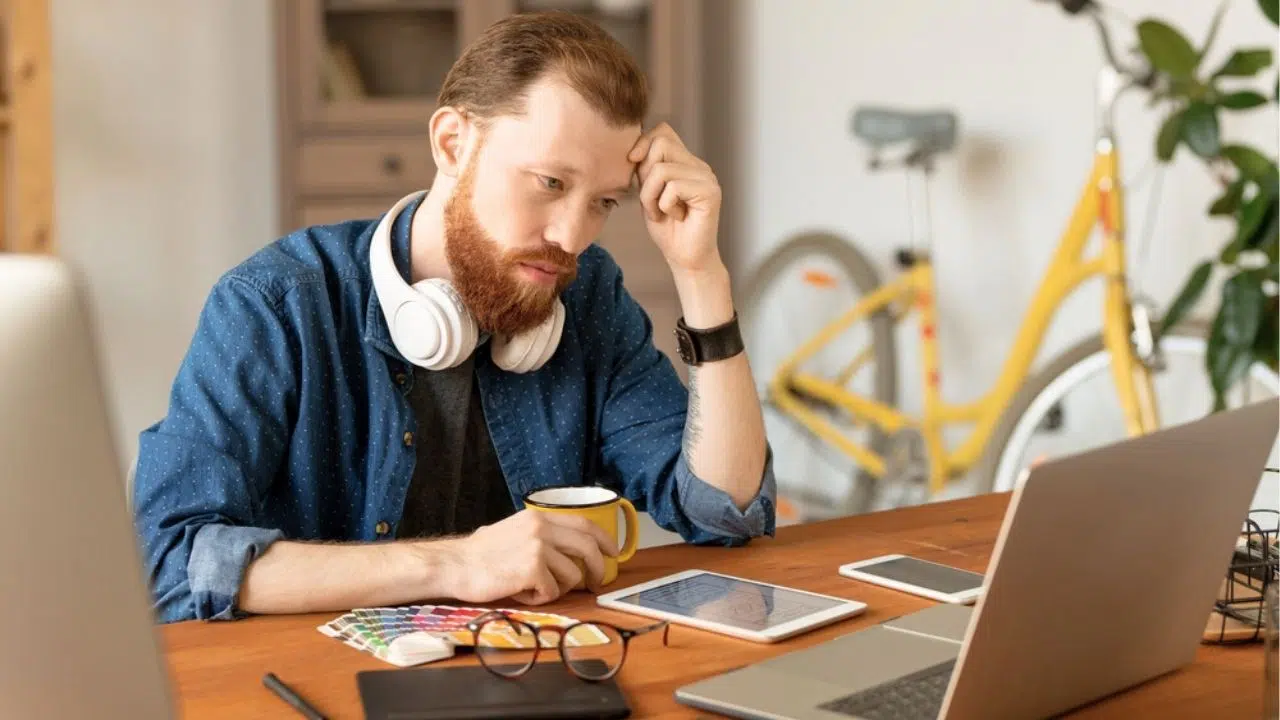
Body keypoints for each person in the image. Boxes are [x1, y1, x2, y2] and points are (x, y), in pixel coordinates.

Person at [132, 10, 776, 624]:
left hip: (531, 672)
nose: (573, 237)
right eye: (550, 183)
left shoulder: (590, 298)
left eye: (603, 201)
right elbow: (170, 562)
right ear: (452, 142)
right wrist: (455, 564)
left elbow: (727, 510)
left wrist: (701, 276)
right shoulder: (276, 303)